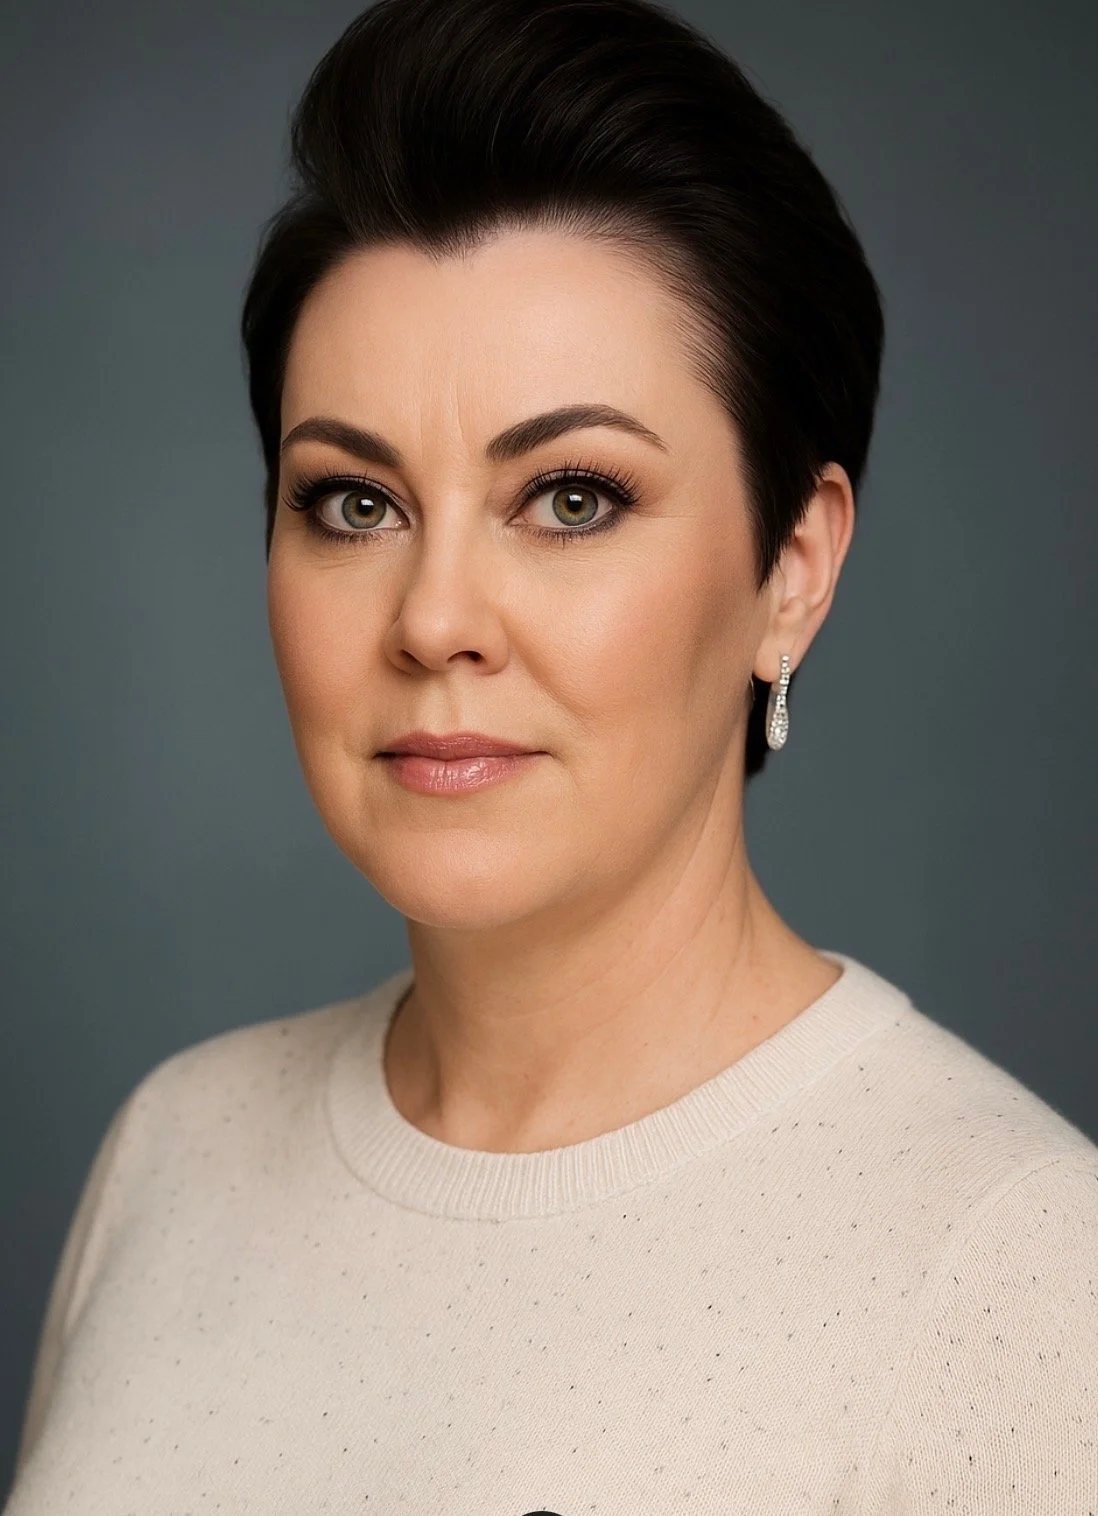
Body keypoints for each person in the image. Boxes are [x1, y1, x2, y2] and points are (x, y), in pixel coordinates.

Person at [6, 0, 1096, 1510]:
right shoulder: (172, 1154)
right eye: (353, 503)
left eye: (570, 498)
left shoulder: (1014, 1277)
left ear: (790, 568)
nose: (435, 618)